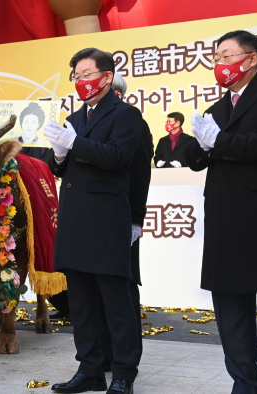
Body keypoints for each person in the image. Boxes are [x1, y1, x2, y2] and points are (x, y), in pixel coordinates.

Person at [185, 30, 257, 394]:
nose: (220, 64)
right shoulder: (219, 106)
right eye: (217, 58)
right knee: (231, 312)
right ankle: (244, 383)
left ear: (252, 58)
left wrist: (220, 141)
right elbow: (195, 159)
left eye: (227, 56)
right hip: (225, 223)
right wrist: (195, 142)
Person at [44, 48, 142, 394]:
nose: (81, 82)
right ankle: (89, 369)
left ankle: (123, 373)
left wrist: (75, 143)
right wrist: (58, 155)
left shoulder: (126, 114)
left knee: (116, 303)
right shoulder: (76, 117)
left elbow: (116, 157)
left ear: (107, 77)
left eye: (87, 74)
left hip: (105, 222)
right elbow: (64, 167)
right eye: (76, 76)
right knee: (81, 303)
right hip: (74, 219)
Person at [100, 72, 154, 371]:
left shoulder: (133, 122)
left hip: (122, 219)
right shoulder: (91, 123)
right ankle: (104, 354)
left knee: (122, 287)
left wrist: (136, 219)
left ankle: (126, 358)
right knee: (96, 290)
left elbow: (140, 175)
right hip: (95, 220)